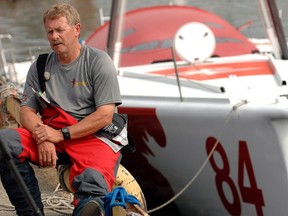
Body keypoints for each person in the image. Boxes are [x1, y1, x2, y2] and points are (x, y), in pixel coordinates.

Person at [0, 3, 126, 216]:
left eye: (60, 30)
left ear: (77, 29)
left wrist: (60, 135)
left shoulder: (98, 62)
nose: (54, 36)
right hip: (52, 134)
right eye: (50, 31)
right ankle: (30, 212)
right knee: (5, 142)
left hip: (92, 137)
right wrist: (44, 137)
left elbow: (105, 115)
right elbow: (27, 111)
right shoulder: (39, 67)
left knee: (93, 186)